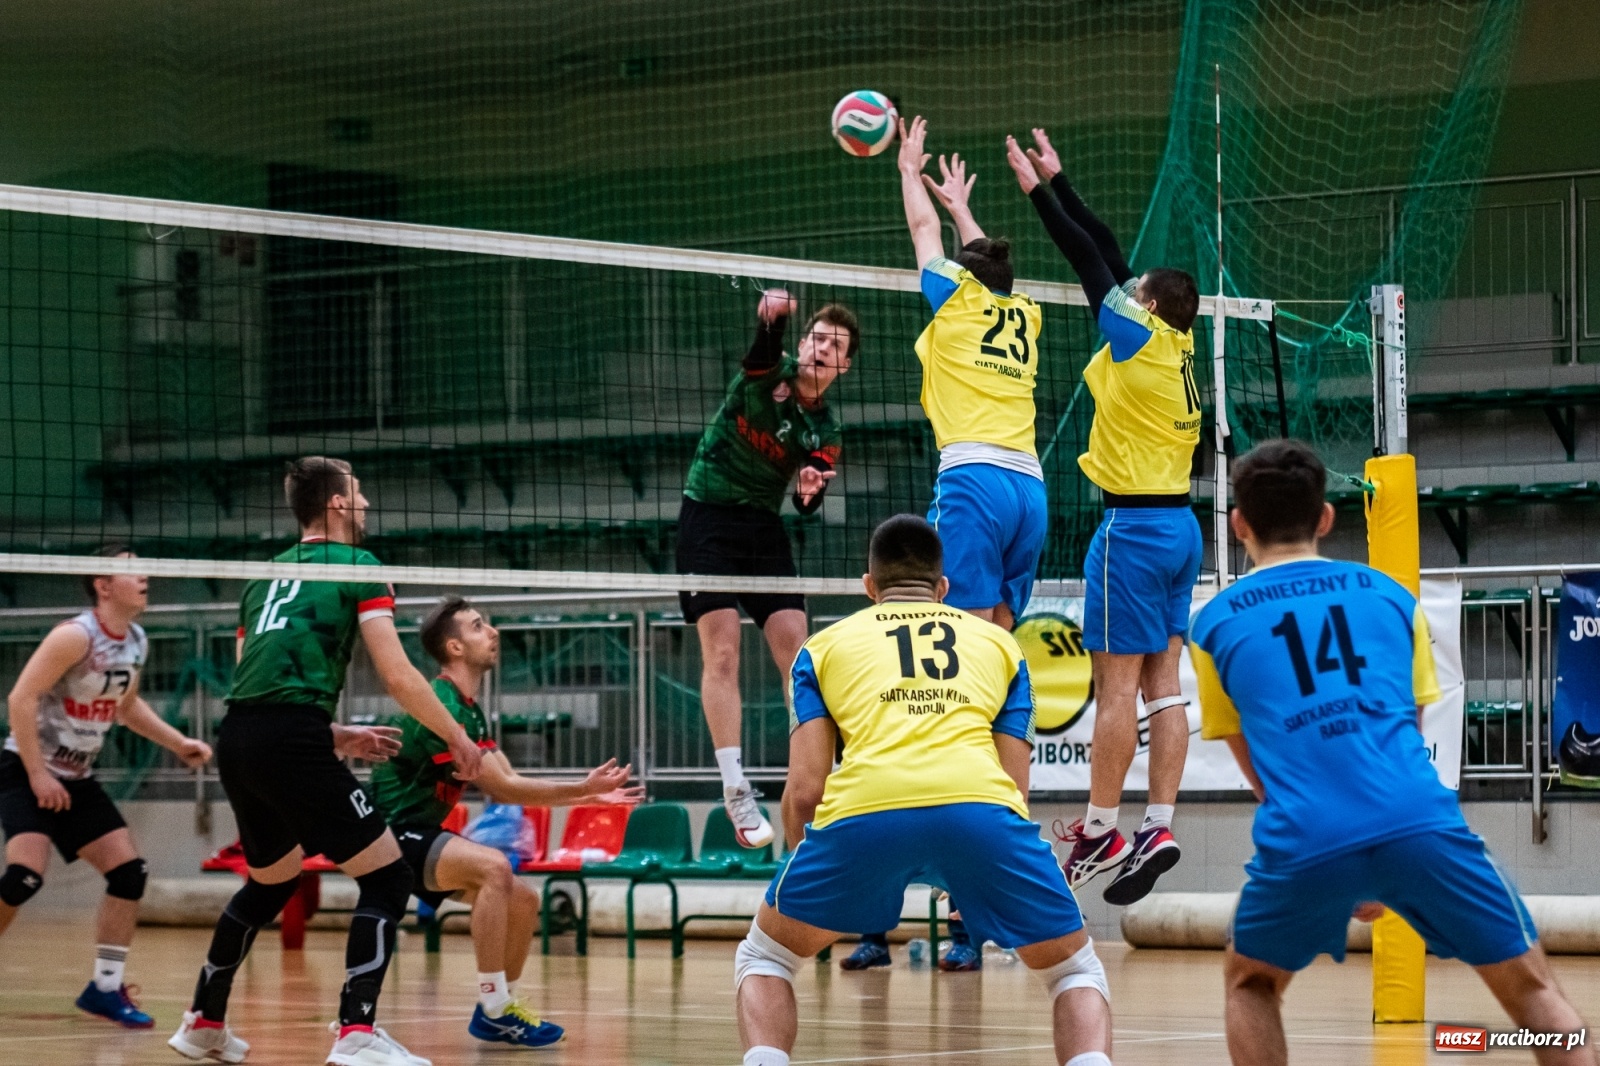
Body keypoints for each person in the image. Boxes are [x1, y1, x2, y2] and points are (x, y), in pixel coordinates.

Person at [1192, 440, 1595, 1066]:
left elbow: (1260, 769)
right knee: (1534, 993)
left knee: (1252, 984)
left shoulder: (1213, 625)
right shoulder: (1390, 597)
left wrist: (1342, 860)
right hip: (1415, 817)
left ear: (1239, 523)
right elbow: (1411, 724)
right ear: (1326, 517)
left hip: (1305, 830)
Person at [734, 515, 1113, 1066]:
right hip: (981, 815)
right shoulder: (1003, 648)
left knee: (766, 957)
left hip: (863, 814)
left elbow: (806, 790)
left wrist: (805, 865)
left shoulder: (819, 650)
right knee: (1073, 968)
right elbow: (1013, 787)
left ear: (869, 586)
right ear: (943, 589)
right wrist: (970, 873)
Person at [169, 456, 486, 1066]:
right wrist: (459, 737)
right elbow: (397, 676)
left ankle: (204, 1019)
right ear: (337, 504)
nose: (365, 504)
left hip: (241, 737)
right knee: (389, 877)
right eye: (359, 493)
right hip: (290, 739)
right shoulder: (360, 565)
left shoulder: (263, 576)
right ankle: (356, 1034)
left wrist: (333, 733)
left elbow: (254, 679)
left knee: (272, 879)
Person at [1006, 127, 1201, 906]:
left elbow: (1090, 260)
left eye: (1137, 289)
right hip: (1182, 528)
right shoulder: (1173, 345)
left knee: (1114, 689)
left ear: (1146, 305)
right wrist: (1064, 178)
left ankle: (1098, 827)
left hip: (1133, 531)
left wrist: (1033, 192)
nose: (1126, 290)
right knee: (1166, 687)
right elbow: (1117, 256)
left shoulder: (1133, 337)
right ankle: (1159, 822)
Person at [367, 595, 644, 1050]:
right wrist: (584, 791)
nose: (492, 633)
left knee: (522, 899)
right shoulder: (442, 706)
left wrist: (588, 790)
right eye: (478, 627)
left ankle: (499, 1008)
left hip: (422, 833)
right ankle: (494, 1006)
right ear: (454, 648)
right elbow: (506, 789)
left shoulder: (468, 709)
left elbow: (510, 777)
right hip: (391, 836)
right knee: (495, 867)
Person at [0, 548, 212, 1028]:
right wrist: (38, 774)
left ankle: (104, 988)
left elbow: (126, 706)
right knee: (23, 878)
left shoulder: (135, 639)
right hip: (25, 767)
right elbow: (21, 697)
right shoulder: (75, 636)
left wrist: (179, 742)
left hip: (77, 778)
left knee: (129, 873)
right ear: (103, 584)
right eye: (132, 568)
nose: (146, 577)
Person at [678, 287, 857, 850]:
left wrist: (807, 492)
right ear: (803, 344)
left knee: (798, 653)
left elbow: (809, 496)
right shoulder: (768, 371)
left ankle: (814, 776)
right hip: (705, 516)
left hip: (760, 525)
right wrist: (774, 322)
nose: (824, 348)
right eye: (818, 337)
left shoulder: (825, 432)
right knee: (723, 651)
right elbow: (761, 351)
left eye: (836, 345)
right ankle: (735, 787)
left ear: (843, 366)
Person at [895, 115, 1048, 636]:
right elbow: (988, 267)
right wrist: (961, 208)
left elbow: (922, 230)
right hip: (1029, 487)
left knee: (964, 627)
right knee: (1001, 629)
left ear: (964, 277)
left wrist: (909, 172)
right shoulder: (1024, 310)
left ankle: (970, 721)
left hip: (975, 478)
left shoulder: (957, 300)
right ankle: (1009, 721)